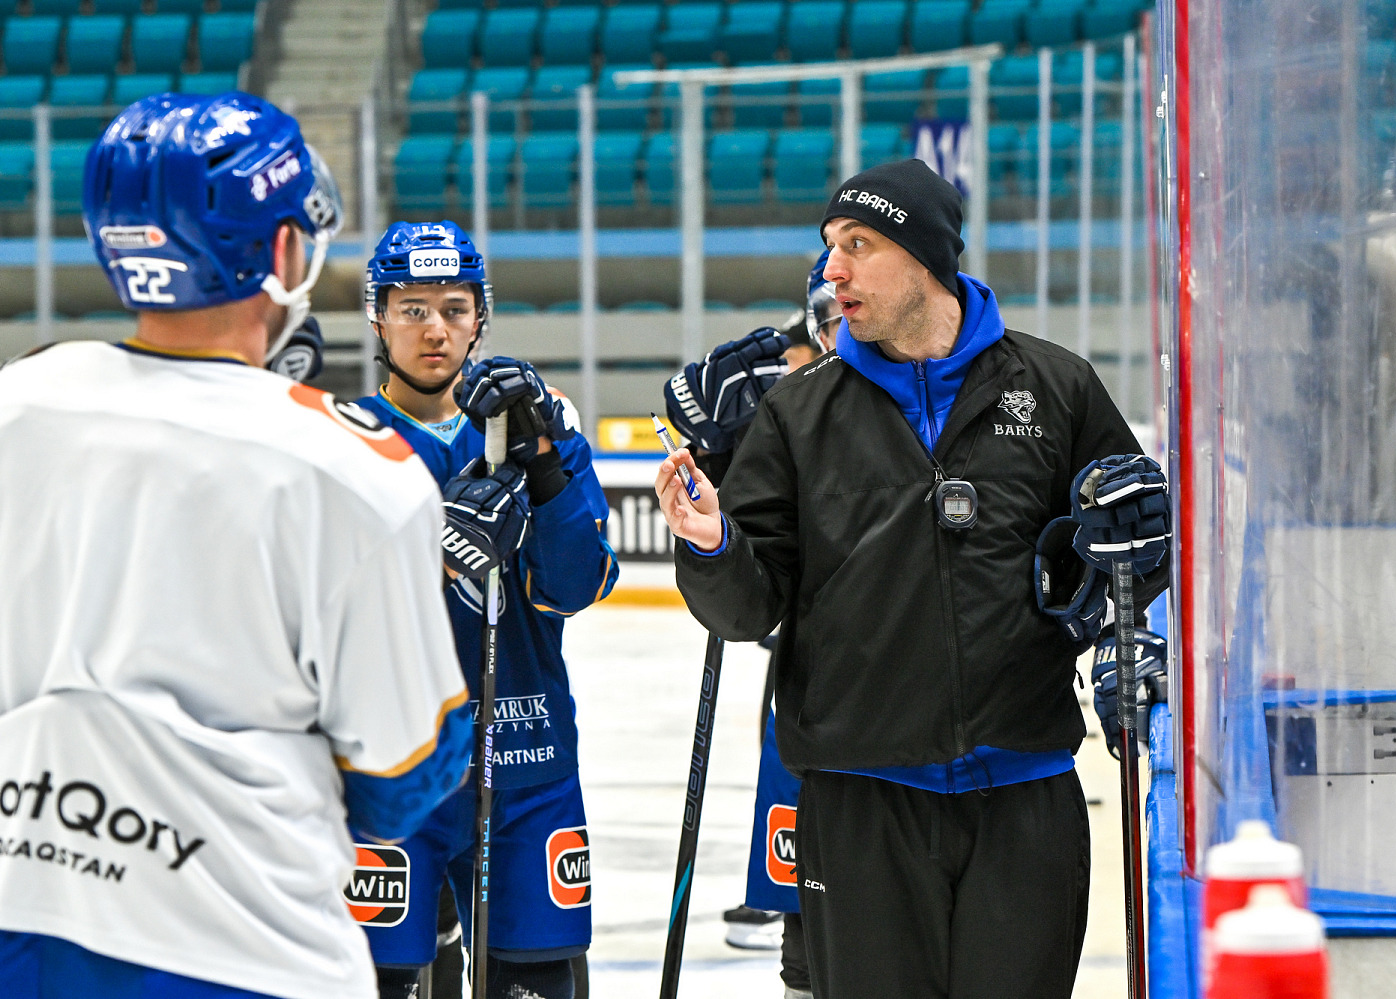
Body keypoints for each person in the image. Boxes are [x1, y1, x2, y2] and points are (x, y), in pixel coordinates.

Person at [655, 159, 1170, 999]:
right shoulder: (798, 414)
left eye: (857, 245)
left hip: (1024, 794)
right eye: (830, 248)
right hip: (861, 805)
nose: (832, 271)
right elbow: (748, 608)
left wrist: (1130, 574)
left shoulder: (1056, 386)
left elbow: (1123, 554)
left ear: (926, 257)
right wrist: (711, 543)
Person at [0, 93, 471, 999]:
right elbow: (403, 775)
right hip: (242, 950)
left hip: (23, 919)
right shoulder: (352, 469)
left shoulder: (19, 404)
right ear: (285, 250)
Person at [346, 220, 619, 999]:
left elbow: (581, 583)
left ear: (481, 316)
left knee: (537, 979)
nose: (435, 329)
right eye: (412, 308)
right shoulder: (343, 441)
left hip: (524, 759)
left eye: (455, 308)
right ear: (377, 317)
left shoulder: (539, 422)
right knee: (380, 981)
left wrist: (540, 467)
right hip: (388, 767)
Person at [663, 252, 839, 999]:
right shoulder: (795, 397)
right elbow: (756, 576)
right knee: (810, 915)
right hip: (814, 694)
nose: (840, 329)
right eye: (825, 315)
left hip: (913, 723)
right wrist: (725, 459)